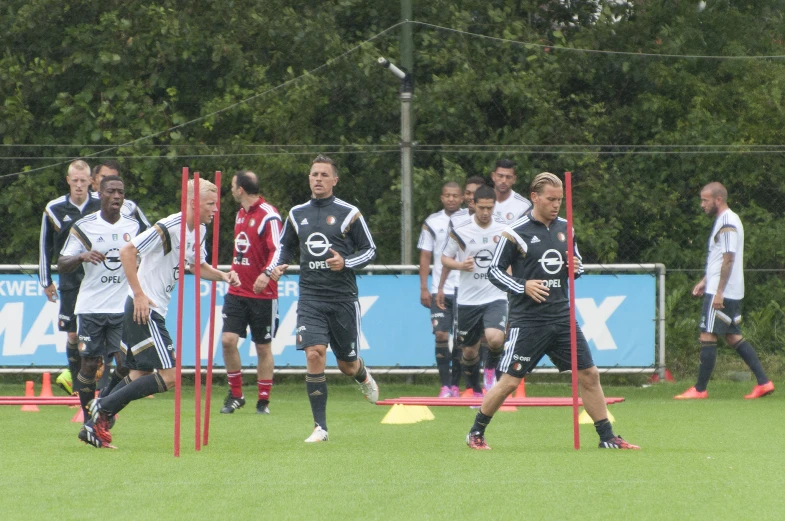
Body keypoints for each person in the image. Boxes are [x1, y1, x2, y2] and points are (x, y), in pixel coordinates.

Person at [466, 172, 639, 450]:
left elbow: (577, 264)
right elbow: (494, 272)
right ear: (535, 197)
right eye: (551, 199)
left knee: (589, 374)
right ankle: (476, 432)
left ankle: (607, 438)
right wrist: (523, 286)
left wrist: (575, 268)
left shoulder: (565, 228)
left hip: (561, 318)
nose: (556, 204)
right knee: (510, 382)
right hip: (528, 321)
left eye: (560, 199)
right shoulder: (515, 232)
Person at [86, 178, 240, 448]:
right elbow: (127, 251)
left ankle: (93, 427)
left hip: (149, 307)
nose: (215, 209)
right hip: (145, 307)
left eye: (216, 204)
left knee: (138, 375)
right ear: (193, 204)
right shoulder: (171, 226)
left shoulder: (200, 230)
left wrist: (223, 276)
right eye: (210, 204)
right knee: (170, 376)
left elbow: (197, 266)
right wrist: (140, 294)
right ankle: (103, 407)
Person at [268, 155, 378, 443]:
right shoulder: (296, 214)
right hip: (310, 297)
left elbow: (370, 251)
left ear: (334, 180)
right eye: (313, 174)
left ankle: (362, 373)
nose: (317, 178)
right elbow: (285, 248)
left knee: (346, 365)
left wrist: (347, 262)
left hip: (343, 298)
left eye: (323, 174)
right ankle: (320, 427)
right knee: (314, 353)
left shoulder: (349, 213)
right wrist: (277, 266)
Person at [57, 176, 141, 444]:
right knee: (90, 364)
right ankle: (88, 420)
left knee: (127, 365)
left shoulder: (134, 225)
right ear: (99, 194)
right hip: (91, 306)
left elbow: (149, 252)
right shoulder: (85, 226)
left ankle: (102, 406)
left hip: (122, 307)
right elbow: (62, 262)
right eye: (111, 192)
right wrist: (82, 256)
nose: (117, 197)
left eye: (121, 192)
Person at [675, 183, 775, 400]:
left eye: (705, 200)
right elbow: (719, 258)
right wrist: (705, 280)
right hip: (728, 288)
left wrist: (718, 291)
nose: (702, 205)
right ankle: (764, 382)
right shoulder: (725, 220)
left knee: (707, 334)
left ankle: (700, 389)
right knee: (732, 336)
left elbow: (729, 258)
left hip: (723, 290)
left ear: (718, 199)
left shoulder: (728, 221)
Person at [220, 170, 282, 415]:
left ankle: (263, 400)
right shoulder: (240, 214)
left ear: (241, 190)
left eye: (233, 186)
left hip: (263, 294)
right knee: (228, 341)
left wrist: (266, 273)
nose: (231, 190)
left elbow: (278, 250)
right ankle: (236, 395)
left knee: (263, 347)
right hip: (237, 290)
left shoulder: (270, 215)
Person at [38, 160, 102, 395]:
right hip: (70, 280)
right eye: (74, 180)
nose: (78, 185)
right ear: (68, 181)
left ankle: (93, 385)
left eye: (83, 181)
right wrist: (46, 281)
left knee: (98, 332)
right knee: (73, 334)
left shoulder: (100, 205)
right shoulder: (54, 209)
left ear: (90, 182)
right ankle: (76, 383)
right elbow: (44, 247)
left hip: (98, 280)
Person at [439, 186, 507, 397]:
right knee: (469, 352)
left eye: (489, 208)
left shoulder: (504, 230)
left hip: (496, 295)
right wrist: (460, 266)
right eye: (481, 208)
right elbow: (445, 258)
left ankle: (490, 371)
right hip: (468, 300)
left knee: (495, 338)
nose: (485, 212)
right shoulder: (461, 229)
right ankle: (475, 390)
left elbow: (513, 258)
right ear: (473, 205)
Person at [417, 181, 462, 398]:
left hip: (464, 289)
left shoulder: (468, 220)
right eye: (447, 195)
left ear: (462, 198)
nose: (451, 199)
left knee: (463, 339)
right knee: (441, 335)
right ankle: (445, 386)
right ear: (442, 198)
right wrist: (424, 287)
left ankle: (457, 384)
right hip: (439, 289)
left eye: (455, 195)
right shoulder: (432, 222)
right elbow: (425, 256)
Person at [90, 160, 151, 232]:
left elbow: (148, 232)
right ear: (96, 177)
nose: (107, 181)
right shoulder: (86, 202)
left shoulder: (129, 207)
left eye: (112, 178)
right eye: (103, 177)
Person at [490, 159, 531, 225]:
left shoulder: (524, 205)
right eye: (500, 176)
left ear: (514, 179)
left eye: (508, 177)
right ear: (493, 176)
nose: (504, 180)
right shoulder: (481, 200)